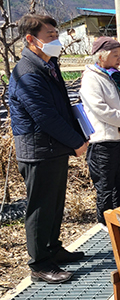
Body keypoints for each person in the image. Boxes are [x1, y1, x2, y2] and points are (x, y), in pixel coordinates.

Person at [8, 14, 88, 283]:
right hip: (37, 150)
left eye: (57, 34)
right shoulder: (26, 73)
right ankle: (40, 264)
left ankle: (53, 248)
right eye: (50, 36)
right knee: (40, 207)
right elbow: (44, 116)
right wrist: (76, 142)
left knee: (55, 203)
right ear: (31, 39)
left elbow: (63, 108)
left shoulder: (48, 64)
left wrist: (77, 135)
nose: (57, 40)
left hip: (54, 147)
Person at [80, 37, 120, 228]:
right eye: (115, 55)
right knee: (106, 186)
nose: (118, 58)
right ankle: (106, 225)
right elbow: (100, 109)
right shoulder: (91, 78)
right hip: (104, 141)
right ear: (101, 56)